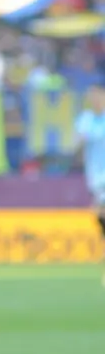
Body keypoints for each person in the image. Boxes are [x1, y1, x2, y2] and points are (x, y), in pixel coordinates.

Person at [74, 83, 105, 285]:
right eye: (91, 95)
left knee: (101, 211)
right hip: (95, 177)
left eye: (98, 95)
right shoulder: (86, 119)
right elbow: (77, 145)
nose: (94, 99)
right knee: (99, 214)